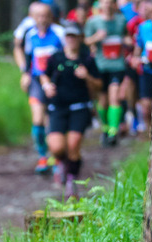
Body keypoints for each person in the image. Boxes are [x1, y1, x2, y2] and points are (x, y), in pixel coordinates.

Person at [39, 23, 102, 198]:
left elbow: (99, 84)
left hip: (80, 106)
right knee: (56, 147)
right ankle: (61, 164)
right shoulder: (55, 58)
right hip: (57, 107)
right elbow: (43, 74)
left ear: (80, 38)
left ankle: (71, 180)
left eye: (74, 36)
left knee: (73, 144)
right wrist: (47, 86)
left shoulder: (87, 60)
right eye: (68, 36)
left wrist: (87, 76)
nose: (71, 40)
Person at [21, 3, 64, 174]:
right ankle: (42, 155)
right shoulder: (29, 35)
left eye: (45, 15)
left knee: (51, 119)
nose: (42, 19)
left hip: (56, 82)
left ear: (51, 17)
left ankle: (56, 156)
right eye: (38, 16)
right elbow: (28, 57)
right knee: (38, 119)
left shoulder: (59, 33)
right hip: (37, 82)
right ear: (33, 17)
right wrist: (25, 74)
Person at [85, 0, 130, 146]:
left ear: (114, 5)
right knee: (102, 101)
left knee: (114, 97)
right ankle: (105, 127)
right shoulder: (93, 21)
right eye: (104, 2)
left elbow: (127, 36)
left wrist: (128, 41)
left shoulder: (121, 20)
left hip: (117, 65)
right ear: (100, 5)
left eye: (110, 2)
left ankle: (113, 131)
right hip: (100, 66)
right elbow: (85, 41)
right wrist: (96, 38)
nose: (107, 5)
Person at [133, 0, 152, 133]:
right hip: (147, 70)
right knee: (146, 107)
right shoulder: (143, 27)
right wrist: (135, 59)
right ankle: (149, 134)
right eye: (149, 12)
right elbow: (138, 48)